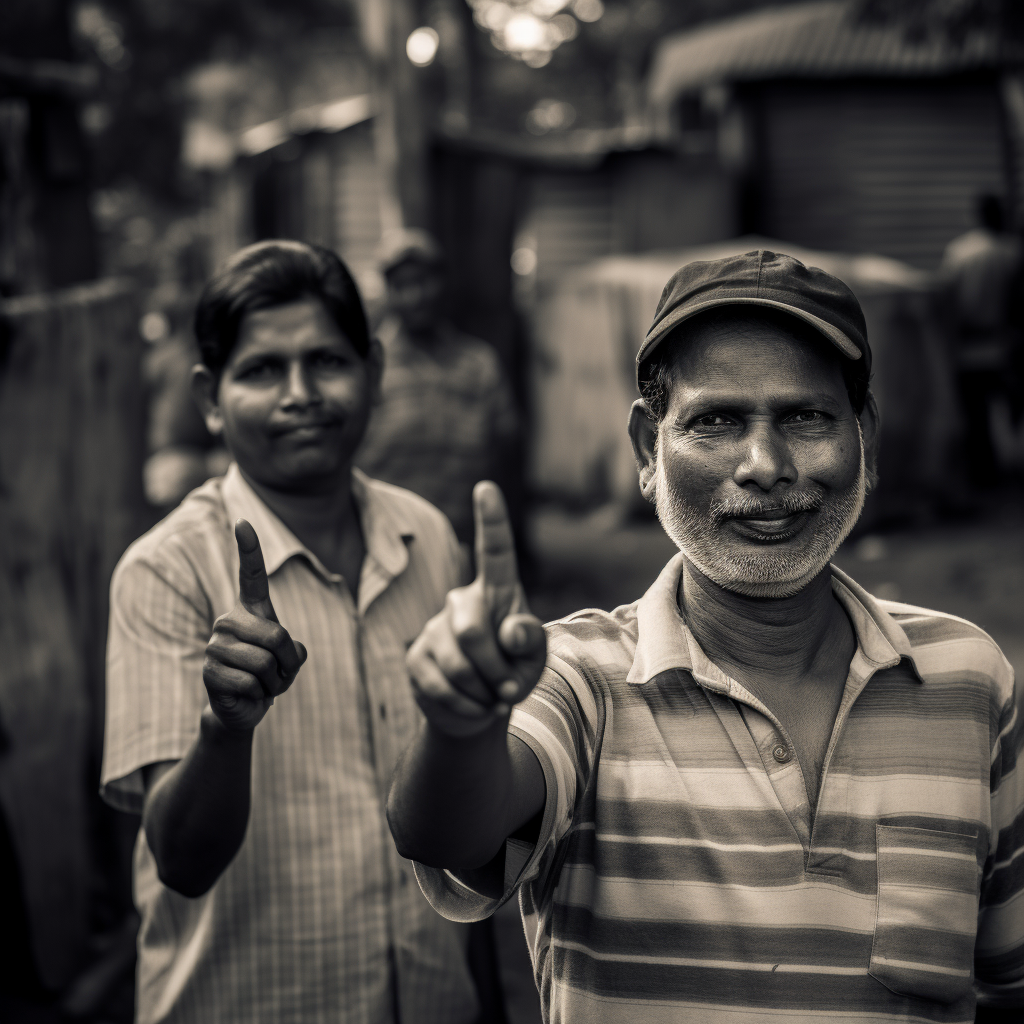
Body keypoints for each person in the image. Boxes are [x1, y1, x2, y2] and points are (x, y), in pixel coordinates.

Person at [386, 251, 1024, 1022]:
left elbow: (1007, 981)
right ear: (645, 451)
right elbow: (446, 830)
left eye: (806, 416)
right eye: (715, 421)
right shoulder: (578, 676)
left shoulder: (968, 678)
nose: (765, 465)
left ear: (868, 440)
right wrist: (461, 724)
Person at [100, 240, 480, 1024]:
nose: (300, 394)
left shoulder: (429, 538)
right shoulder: (166, 572)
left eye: (327, 362)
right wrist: (224, 731)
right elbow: (181, 861)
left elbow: (462, 840)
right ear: (210, 397)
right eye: (262, 370)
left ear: (373, 370)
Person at [356, 229, 519, 550]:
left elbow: (507, 445)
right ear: (387, 291)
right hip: (385, 541)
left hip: (463, 540)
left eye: (424, 281)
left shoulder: (478, 363)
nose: (415, 296)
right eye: (402, 285)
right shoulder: (369, 366)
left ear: (442, 284)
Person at [939, 193, 1022, 485]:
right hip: (1007, 345)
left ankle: (985, 474)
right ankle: (1010, 468)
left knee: (976, 415)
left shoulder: (960, 252)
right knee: (1010, 411)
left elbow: (947, 299)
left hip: (968, 348)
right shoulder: (1014, 252)